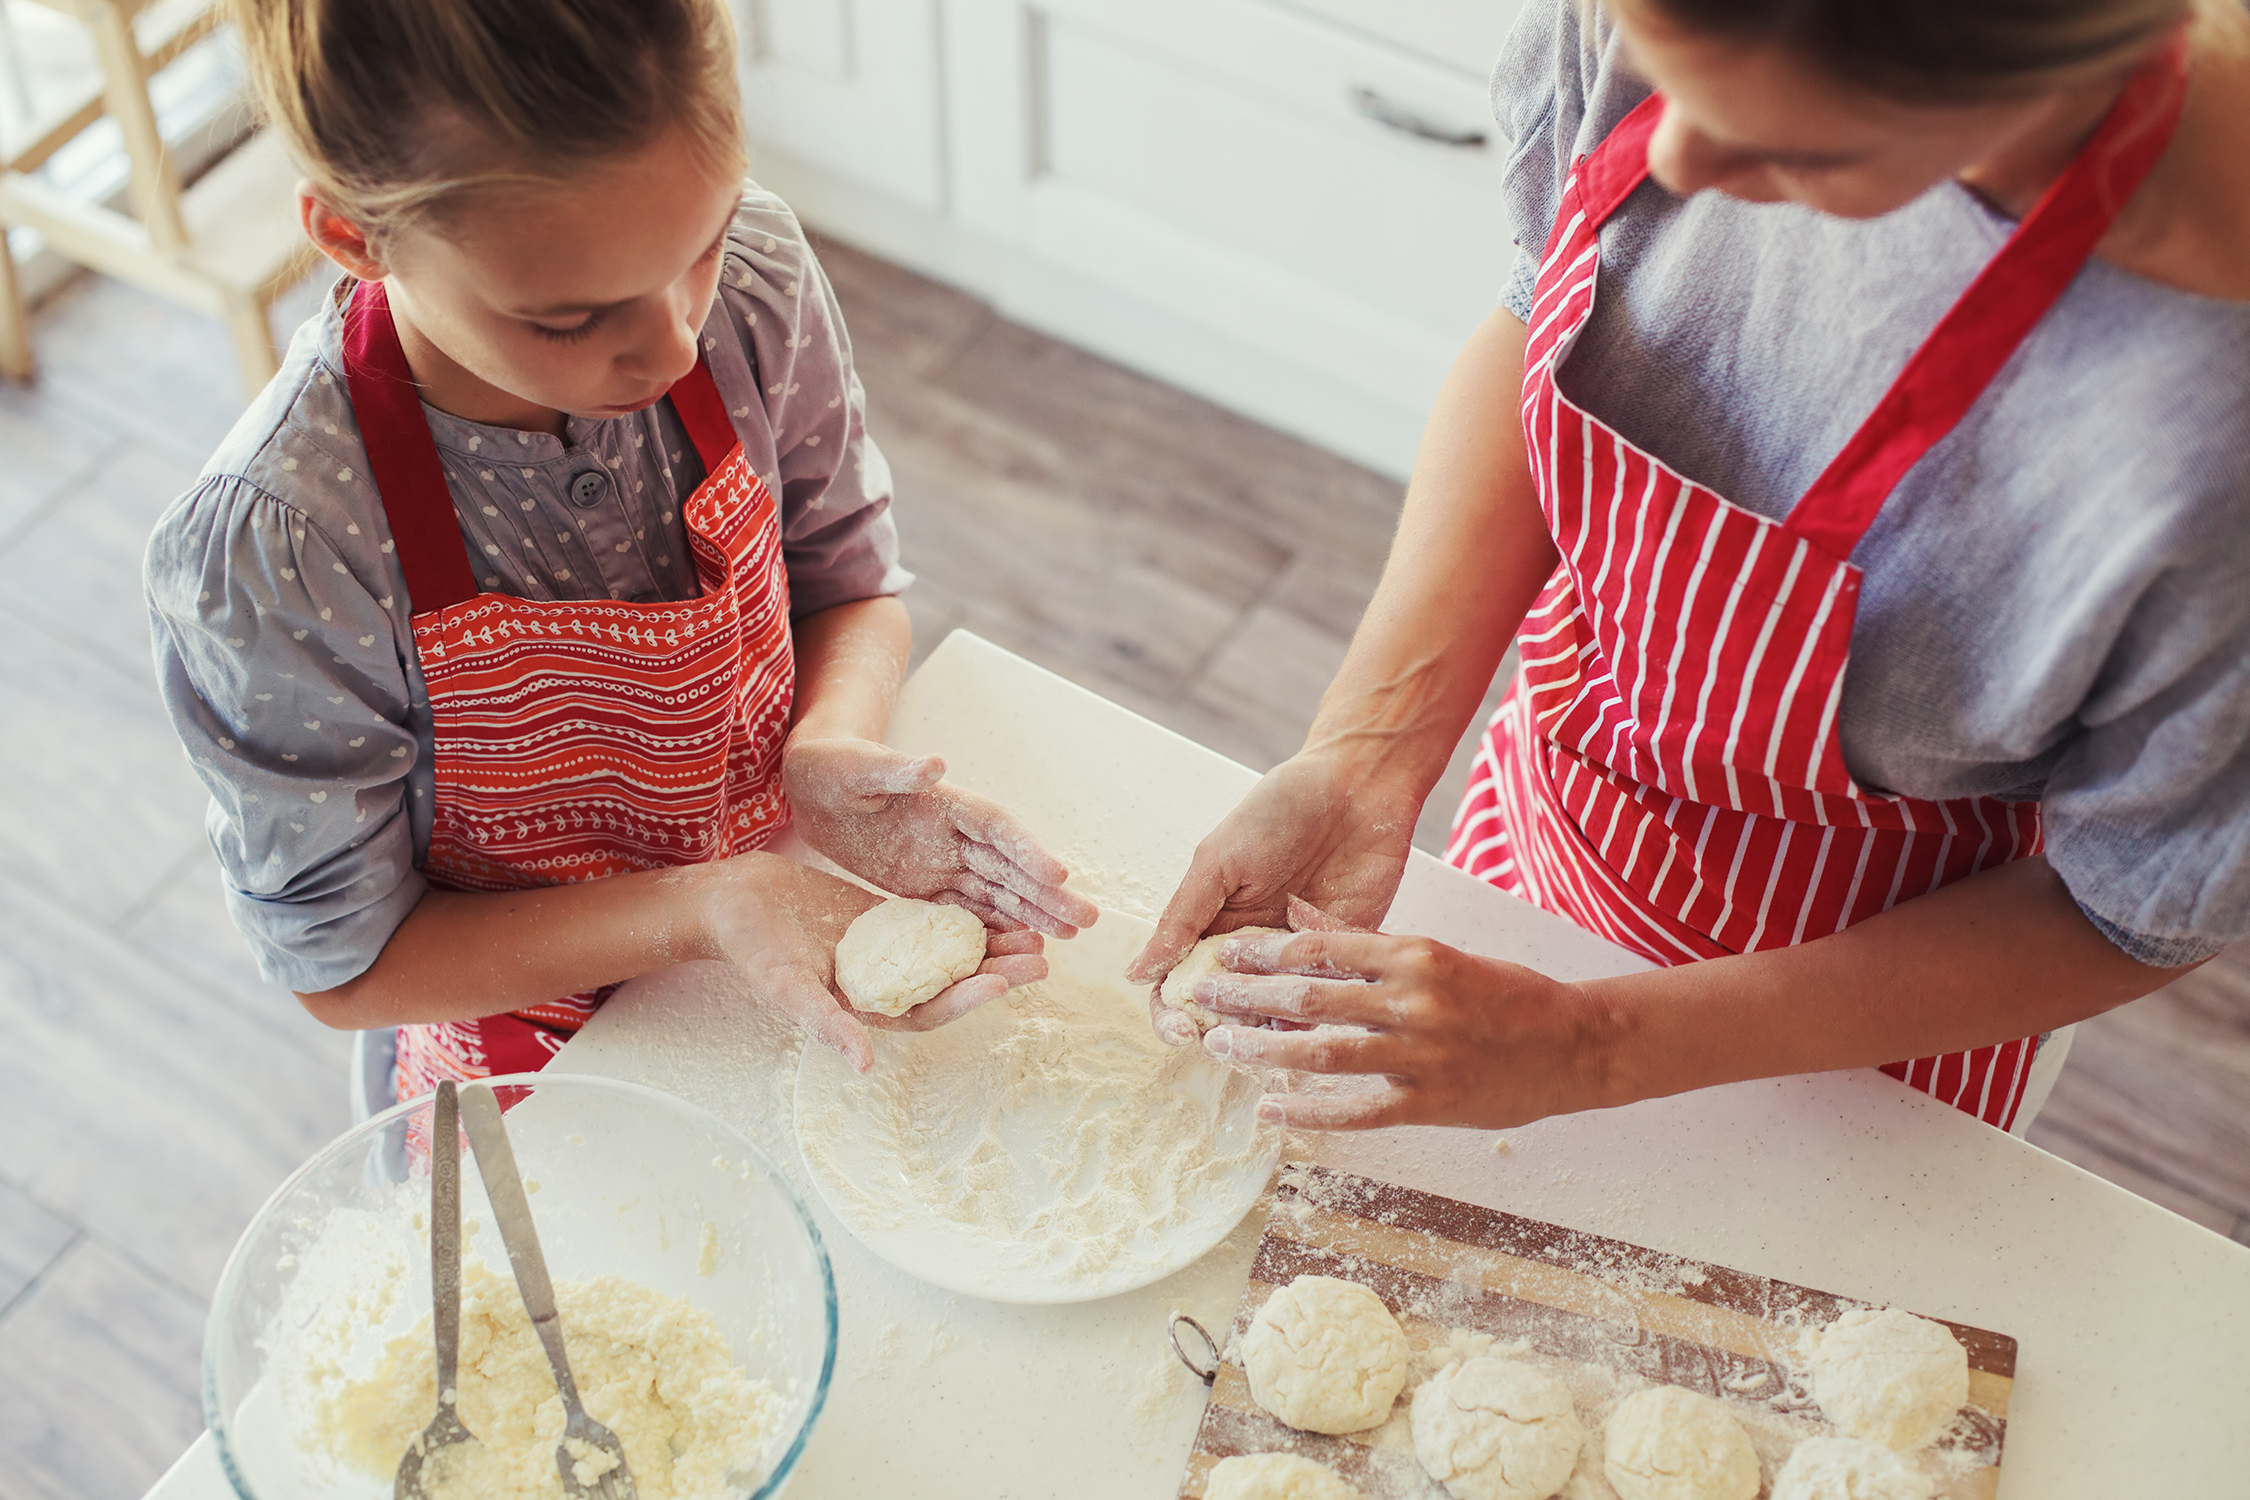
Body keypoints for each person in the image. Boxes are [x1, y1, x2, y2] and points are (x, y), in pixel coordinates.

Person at [1131, 0, 2249, 1134]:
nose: (1672, 158)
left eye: (1793, 147)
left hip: (1874, 998)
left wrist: (1594, 1046)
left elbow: (2123, 911)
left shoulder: (2207, 447)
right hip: (1557, 799)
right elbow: (1547, 306)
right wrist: (1372, 753)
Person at [146, 0, 1096, 1104]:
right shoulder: (285, 548)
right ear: (356, 235)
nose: (674, 340)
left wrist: (828, 744)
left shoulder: (754, 285)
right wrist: (702, 909)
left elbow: (846, 578)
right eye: (566, 319)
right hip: (536, 1066)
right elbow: (344, 962)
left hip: (778, 936)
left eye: (701, 244)